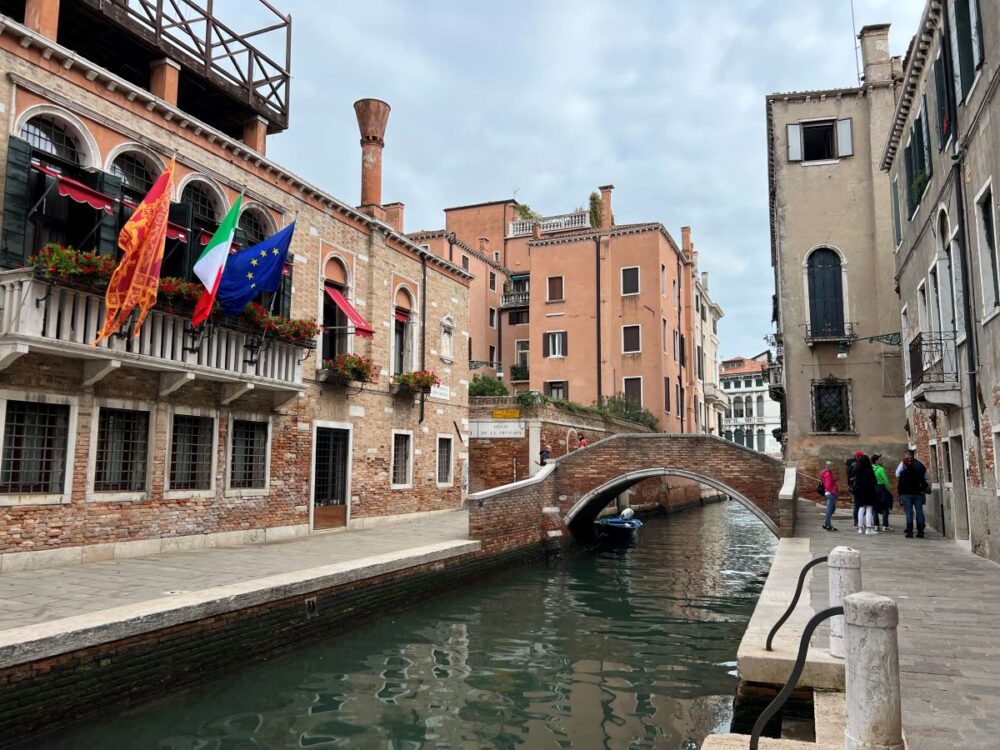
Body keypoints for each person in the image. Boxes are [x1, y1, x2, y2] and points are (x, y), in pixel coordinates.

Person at [896, 451, 929, 538]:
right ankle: (920, 531)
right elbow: (924, 482)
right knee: (919, 512)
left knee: (909, 513)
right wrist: (922, 489)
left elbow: (900, 486)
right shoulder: (918, 472)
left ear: (905, 465)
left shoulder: (902, 474)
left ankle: (910, 532)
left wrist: (899, 495)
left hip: (906, 495)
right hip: (917, 494)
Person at [853, 453, 879, 535]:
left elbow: (856, 482)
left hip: (859, 492)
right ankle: (868, 529)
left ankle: (860, 528)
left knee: (861, 509)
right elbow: (874, 481)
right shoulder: (870, 470)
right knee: (869, 509)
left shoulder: (857, 470)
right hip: (869, 491)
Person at [871, 454, 893, 531]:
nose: (882, 461)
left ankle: (876, 525)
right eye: (880, 460)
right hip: (881, 488)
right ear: (876, 461)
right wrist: (888, 487)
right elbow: (885, 480)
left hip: (873, 488)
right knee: (885, 507)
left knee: (875, 508)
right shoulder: (881, 469)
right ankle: (885, 525)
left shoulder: (870, 469)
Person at [820, 461, 839, 531]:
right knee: (830, 509)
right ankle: (828, 525)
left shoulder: (828, 473)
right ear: (828, 467)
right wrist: (833, 490)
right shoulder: (828, 474)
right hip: (830, 493)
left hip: (830, 493)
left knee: (832, 509)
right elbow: (827, 485)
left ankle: (826, 524)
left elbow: (829, 483)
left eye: (833, 466)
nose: (833, 467)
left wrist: (833, 481)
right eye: (831, 466)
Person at [846, 450, 863, 527]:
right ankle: (857, 520)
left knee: (857, 504)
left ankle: (856, 520)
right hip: (857, 486)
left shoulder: (850, 465)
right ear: (858, 457)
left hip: (852, 486)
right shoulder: (856, 465)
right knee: (859, 504)